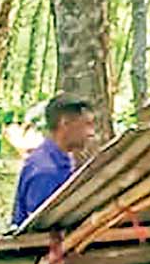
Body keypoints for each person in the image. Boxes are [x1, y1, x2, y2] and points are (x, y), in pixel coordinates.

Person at [9, 94, 99, 227]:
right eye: (87, 124)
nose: (91, 133)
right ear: (65, 123)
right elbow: (40, 231)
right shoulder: (45, 172)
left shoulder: (61, 159)